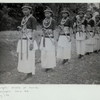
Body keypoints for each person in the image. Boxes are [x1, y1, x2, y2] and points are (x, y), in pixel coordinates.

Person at [17, 5, 38, 80]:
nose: (25, 11)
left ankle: (29, 73)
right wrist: (20, 29)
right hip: (23, 40)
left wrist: (32, 42)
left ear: (30, 10)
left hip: (29, 40)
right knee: (23, 56)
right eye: (23, 10)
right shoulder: (23, 19)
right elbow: (23, 29)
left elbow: (34, 31)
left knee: (29, 57)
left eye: (26, 10)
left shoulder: (32, 18)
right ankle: (25, 71)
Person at [40, 7, 57, 72]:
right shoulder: (43, 21)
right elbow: (42, 29)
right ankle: (46, 66)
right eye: (45, 13)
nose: (47, 14)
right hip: (44, 38)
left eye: (48, 13)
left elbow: (54, 30)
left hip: (50, 38)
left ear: (50, 14)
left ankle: (50, 66)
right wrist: (44, 31)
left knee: (50, 52)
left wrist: (54, 39)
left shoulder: (53, 21)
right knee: (44, 52)